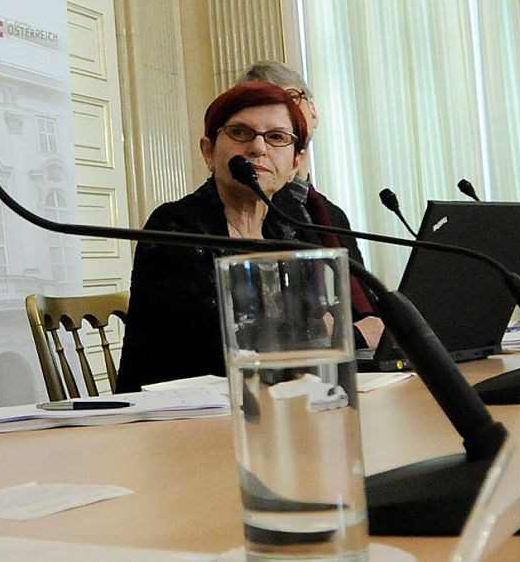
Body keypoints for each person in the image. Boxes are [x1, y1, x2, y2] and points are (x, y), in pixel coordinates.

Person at [115, 81, 321, 391]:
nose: (258, 148)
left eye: (277, 137)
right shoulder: (174, 225)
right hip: (175, 420)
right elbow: (214, 348)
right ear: (209, 152)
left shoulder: (290, 231)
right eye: (240, 133)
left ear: (295, 163)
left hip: (269, 407)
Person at [240, 60, 382, 347]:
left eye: (290, 98)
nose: (282, 111)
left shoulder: (333, 214)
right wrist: (352, 336)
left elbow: (364, 300)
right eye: (266, 103)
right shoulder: (255, 211)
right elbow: (290, 326)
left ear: (313, 112)